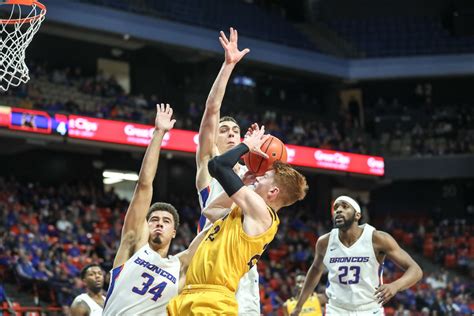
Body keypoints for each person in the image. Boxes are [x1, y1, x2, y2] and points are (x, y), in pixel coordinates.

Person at [168, 126, 308, 315]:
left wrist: (246, 146)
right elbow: (211, 210)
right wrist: (242, 181)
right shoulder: (246, 214)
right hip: (193, 294)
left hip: (213, 302)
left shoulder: (261, 212)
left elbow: (217, 165)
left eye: (265, 176)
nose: (258, 176)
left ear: (273, 192)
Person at [102, 104, 208, 316]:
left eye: (166, 221)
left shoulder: (180, 267)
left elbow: (210, 234)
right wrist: (158, 133)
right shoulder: (133, 246)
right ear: (146, 225)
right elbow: (143, 186)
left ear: (175, 232)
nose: (159, 223)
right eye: (154, 219)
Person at [195, 27, 260, 315]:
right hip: (211, 264)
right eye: (225, 130)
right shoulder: (209, 164)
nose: (231, 133)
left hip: (244, 269)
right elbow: (212, 110)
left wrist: (262, 155)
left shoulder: (251, 176)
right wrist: (228, 66)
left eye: (235, 130)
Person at [291, 196, 423, 316]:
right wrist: (299, 306)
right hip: (337, 309)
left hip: (369, 309)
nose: (338, 210)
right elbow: (315, 271)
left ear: (357, 215)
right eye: (336, 208)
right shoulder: (324, 242)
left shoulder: (377, 238)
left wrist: (395, 286)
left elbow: (416, 270)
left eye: (345, 206)